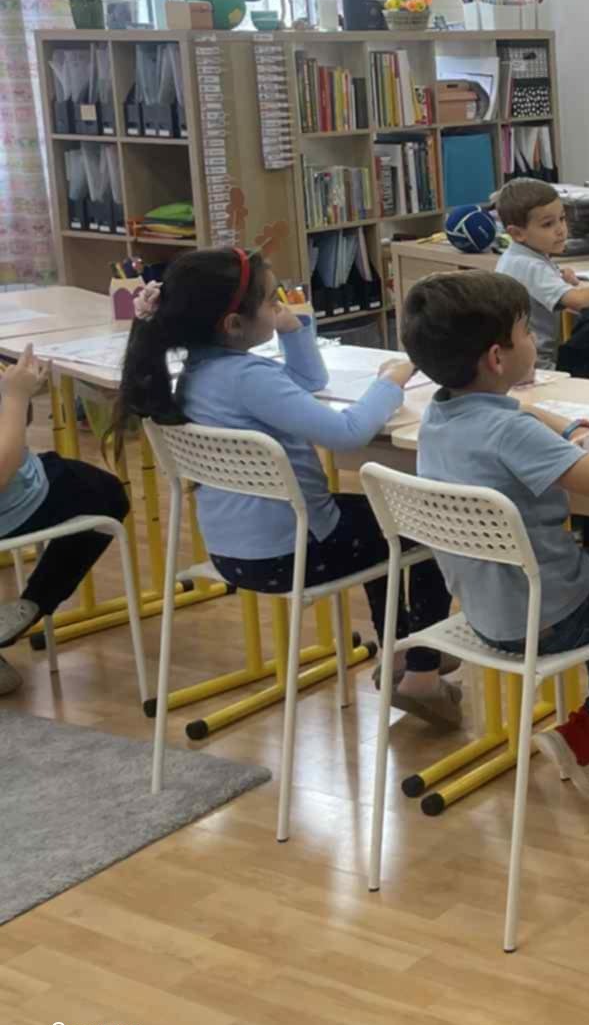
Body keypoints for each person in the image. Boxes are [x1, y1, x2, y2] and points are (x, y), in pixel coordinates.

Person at [114, 248, 459, 724]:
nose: (279, 304)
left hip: (235, 553)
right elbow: (348, 434)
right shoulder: (247, 377)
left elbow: (307, 381)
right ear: (234, 324)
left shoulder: (196, 370)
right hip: (297, 552)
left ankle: (400, 653)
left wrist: (293, 330)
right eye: (270, 299)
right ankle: (420, 671)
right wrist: (393, 381)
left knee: (380, 523)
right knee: (426, 525)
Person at [403, 270, 589, 815]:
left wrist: (568, 428)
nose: (534, 338)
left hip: (487, 612)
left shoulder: (439, 416)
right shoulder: (510, 434)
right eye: (525, 330)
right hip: (548, 614)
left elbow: (520, 413)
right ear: (497, 357)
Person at [0, 344, 130, 698]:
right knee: (107, 494)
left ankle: (32, 604)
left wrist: (18, 394)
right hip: (19, 501)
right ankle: (36, 600)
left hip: (19, 483)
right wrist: (15, 396)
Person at [494, 177, 589, 369]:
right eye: (547, 224)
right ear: (517, 233)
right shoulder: (530, 265)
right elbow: (579, 301)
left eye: (562, 219)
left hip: (527, 361)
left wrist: (560, 277)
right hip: (537, 366)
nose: (560, 230)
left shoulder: (517, 256)